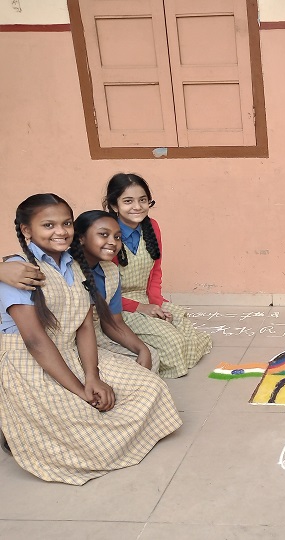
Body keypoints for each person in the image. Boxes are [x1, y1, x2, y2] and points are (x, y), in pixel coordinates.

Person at [0, 194, 182, 484]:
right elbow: (35, 341)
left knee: (151, 387)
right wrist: (80, 389)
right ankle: (16, 427)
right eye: (48, 225)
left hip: (70, 350)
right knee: (84, 424)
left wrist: (92, 376)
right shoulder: (19, 270)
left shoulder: (74, 265)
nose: (60, 231)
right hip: (31, 360)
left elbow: (84, 327)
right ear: (26, 230)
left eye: (66, 223)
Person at [103, 173, 212, 378]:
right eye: (128, 201)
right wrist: (141, 308)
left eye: (143, 200)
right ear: (114, 205)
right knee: (173, 341)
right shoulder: (107, 235)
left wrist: (156, 304)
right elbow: (105, 290)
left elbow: (156, 270)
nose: (137, 207)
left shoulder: (151, 226)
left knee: (182, 324)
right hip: (116, 305)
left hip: (145, 298)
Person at [70, 210, 158, 372]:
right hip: (71, 344)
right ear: (81, 238)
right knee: (128, 373)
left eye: (117, 237)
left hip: (97, 336)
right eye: (103, 235)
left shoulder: (110, 271)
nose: (112, 242)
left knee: (150, 355)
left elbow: (113, 322)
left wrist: (142, 348)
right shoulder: (66, 270)